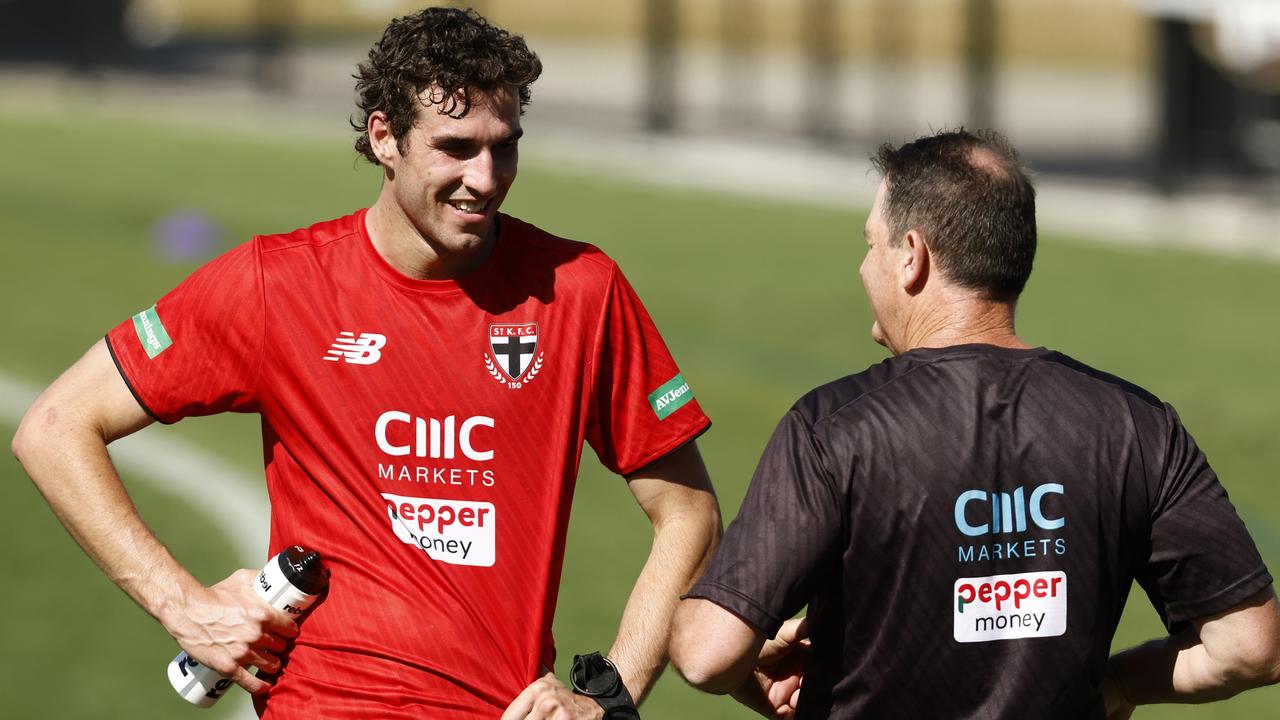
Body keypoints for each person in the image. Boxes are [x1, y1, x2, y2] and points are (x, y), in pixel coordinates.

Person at [12, 7, 721, 719]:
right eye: (455, 148)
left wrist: (610, 697)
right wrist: (184, 607)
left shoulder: (580, 290)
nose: (485, 177)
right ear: (385, 137)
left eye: (503, 147)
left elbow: (688, 513)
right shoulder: (277, 285)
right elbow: (55, 425)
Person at [668, 129, 1280, 718]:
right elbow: (1249, 648)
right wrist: (1117, 683)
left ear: (912, 257)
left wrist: (738, 642)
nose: (862, 267)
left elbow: (706, 655)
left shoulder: (834, 428)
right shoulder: (1137, 426)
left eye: (870, 243)